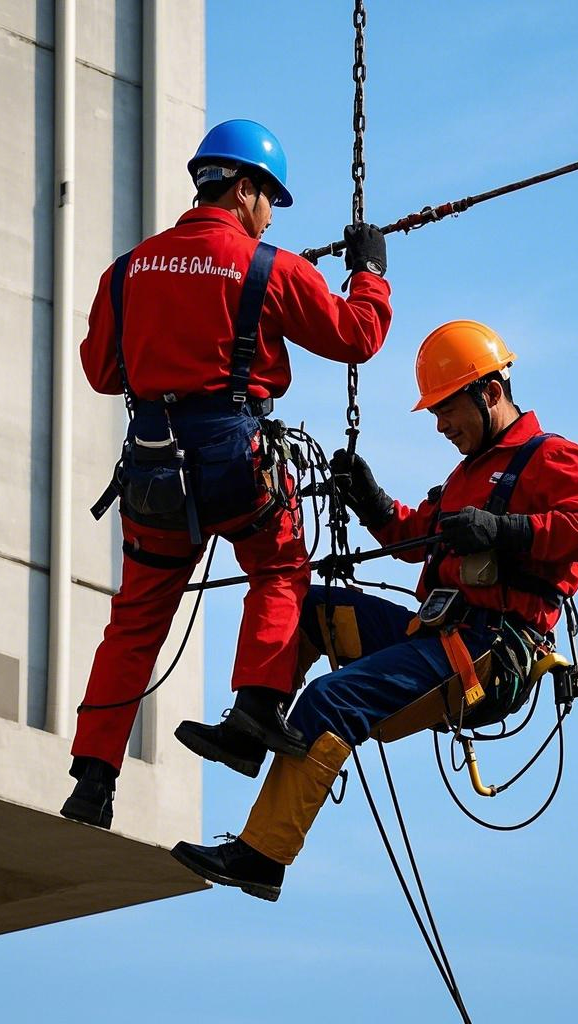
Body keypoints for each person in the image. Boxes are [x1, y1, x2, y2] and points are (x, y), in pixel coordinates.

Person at [170, 319, 578, 900]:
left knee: (331, 700)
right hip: (436, 635)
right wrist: (370, 499)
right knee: (305, 607)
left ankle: (261, 858)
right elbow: (414, 538)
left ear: (490, 392)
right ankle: (252, 727)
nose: (440, 425)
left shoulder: (551, 457)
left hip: (488, 652)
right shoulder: (466, 475)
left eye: (446, 409)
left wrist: (505, 529)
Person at [61, 119, 392, 830]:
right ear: (243, 189)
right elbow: (356, 335)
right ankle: (255, 710)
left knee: (135, 623)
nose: (270, 216)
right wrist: (370, 275)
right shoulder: (271, 268)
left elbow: (101, 372)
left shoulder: (126, 272)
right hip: (237, 463)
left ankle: (92, 780)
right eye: (269, 200)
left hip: (155, 468)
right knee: (280, 568)